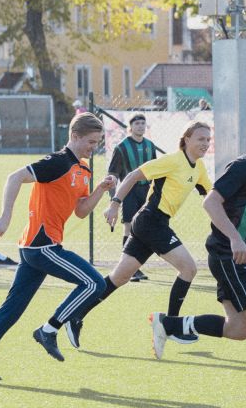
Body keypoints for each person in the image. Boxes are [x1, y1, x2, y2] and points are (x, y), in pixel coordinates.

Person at [150, 110, 246, 406]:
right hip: (229, 257)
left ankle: (169, 325)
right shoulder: (244, 167)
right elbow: (210, 202)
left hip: (235, 257)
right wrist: (234, 238)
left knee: (238, 329)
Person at [0, 112, 116, 381]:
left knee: (12, 309)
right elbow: (14, 177)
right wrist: (6, 215)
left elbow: (80, 210)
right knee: (94, 284)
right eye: (90, 142)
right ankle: (49, 329)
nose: (94, 147)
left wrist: (100, 189)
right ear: (74, 136)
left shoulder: (84, 169)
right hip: (41, 246)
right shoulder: (57, 162)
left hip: (40, 247)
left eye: (97, 142)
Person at [64, 121, 213, 350]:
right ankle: (170, 325)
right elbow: (133, 175)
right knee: (189, 268)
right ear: (186, 140)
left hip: (153, 223)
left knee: (119, 277)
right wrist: (115, 204)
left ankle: (75, 315)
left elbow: (210, 196)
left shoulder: (199, 168)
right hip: (151, 221)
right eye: (201, 138)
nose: (205, 143)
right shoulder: (172, 161)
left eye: (208, 139)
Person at [107, 113, 158, 282]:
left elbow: (155, 170)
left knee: (142, 227)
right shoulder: (122, 147)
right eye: (137, 123)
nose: (140, 126)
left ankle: (136, 267)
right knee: (128, 227)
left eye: (143, 123)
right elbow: (113, 173)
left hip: (146, 192)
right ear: (130, 127)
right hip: (129, 191)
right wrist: (113, 198)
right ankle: (127, 269)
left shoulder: (150, 146)